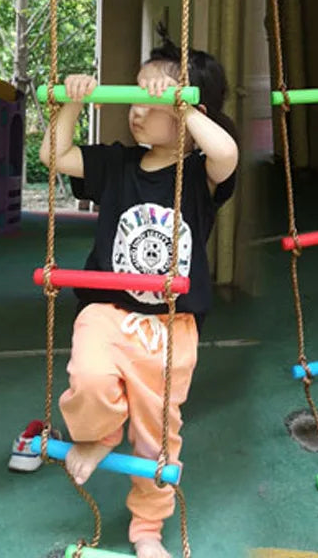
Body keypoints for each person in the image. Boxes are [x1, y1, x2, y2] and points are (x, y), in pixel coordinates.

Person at [38, 37, 239, 558]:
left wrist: (184, 103)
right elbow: (53, 155)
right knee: (89, 377)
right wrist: (74, 103)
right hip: (108, 312)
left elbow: (226, 153)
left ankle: (146, 531)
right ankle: (97, 433)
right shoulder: (120, 165)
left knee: (157, 441)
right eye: (133, 97)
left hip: (171, 330)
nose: (137, 111)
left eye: (153, 103)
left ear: (190, 112)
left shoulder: (199, 175)